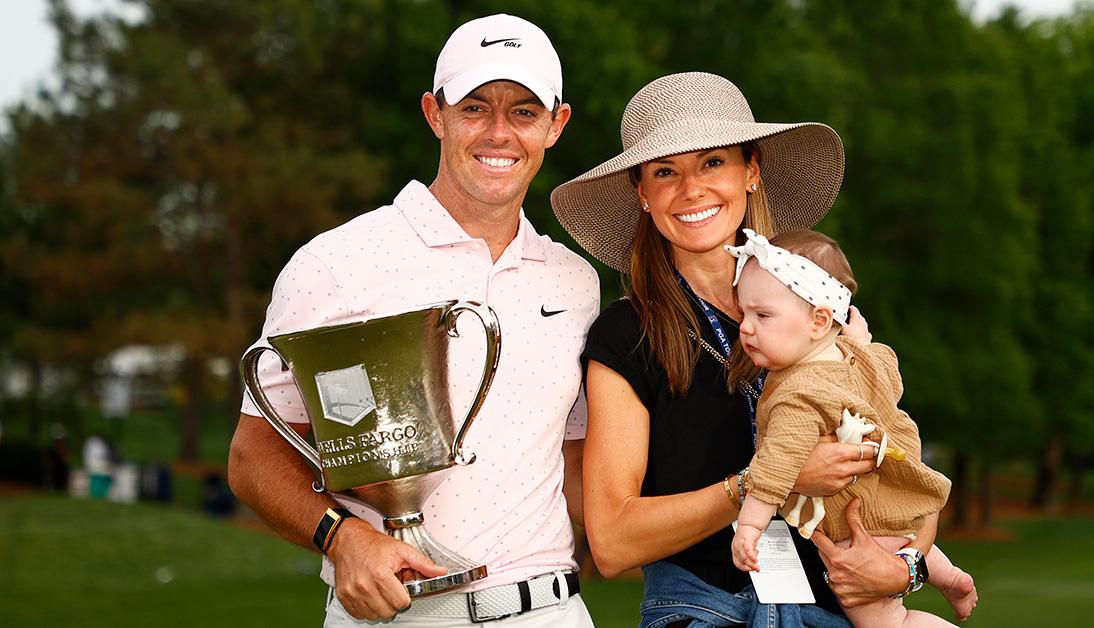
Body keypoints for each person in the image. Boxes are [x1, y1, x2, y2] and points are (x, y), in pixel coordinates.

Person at [228, 14, 598, 627]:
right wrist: (340, 536)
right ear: (435, 114)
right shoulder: (336, 262)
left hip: (549, 609)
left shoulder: (574, 281)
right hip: (393, 615)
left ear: (556, 125)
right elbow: (252, 457)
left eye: (524, 113)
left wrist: (758, 494)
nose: (499, 133)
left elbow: (581, 466)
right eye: (475, 108)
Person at [551, 71, 942, 627]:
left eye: (713, 162)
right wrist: (764, 481)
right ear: (642, 193)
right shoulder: (625, 336)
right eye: (666, 172)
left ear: (751, 172)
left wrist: (907, 569)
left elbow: (899, 464)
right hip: (704, 610)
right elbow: (612, 542)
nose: (691, 190)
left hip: (837, 611)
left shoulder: (817, 305)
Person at [725, 229, 978, 624]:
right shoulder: (853, 359)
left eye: (763, 315)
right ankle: (948, 576)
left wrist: (751, 526)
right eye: (743, 314)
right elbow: (890, 375)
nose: (745, 327)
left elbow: (775, 467)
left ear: (819, 320)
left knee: (889, 622)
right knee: (904, 543)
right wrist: (860, 341)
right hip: (898, 511)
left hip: (858, 531)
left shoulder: (800, 392)